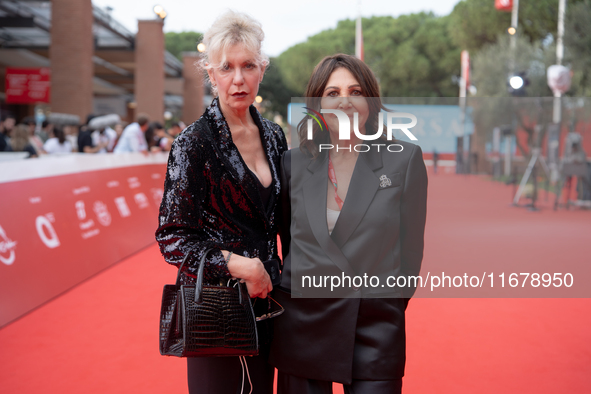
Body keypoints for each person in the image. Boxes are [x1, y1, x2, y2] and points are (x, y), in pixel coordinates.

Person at [270, 54, 428, 394]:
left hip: (375, 326)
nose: (345, 100)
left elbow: (411, 250)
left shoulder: (404, 159)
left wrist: (383, 303)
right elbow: (290, 243)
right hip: (304, 324)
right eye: (333, 92)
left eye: (356, 91)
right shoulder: (292, 163)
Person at [155, 10, 287, 394]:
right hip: (216, 309)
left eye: (248, 66)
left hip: (269, 307)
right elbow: (173, 237)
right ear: (211, 74)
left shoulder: (275, 136)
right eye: (226, 67)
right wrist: (237, 264)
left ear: (262, 69)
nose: (239, 79)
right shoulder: (193, 143)